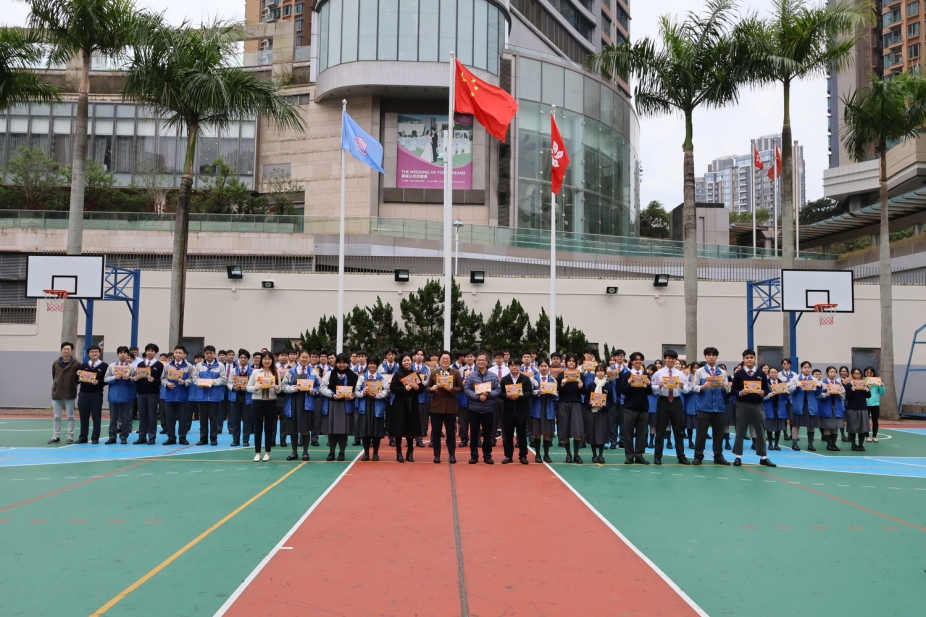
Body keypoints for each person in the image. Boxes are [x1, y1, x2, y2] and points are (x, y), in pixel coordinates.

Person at [730, 349, 776, 467]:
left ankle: (763, 457)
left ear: (755, 358)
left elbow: (766, 389)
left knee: (760, 430)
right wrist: (740, 392)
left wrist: (763, 392)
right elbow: (733, 389)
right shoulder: (739, 374)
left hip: (757, 404)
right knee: (740, 430)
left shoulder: (761, 373)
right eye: (747, 358)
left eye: (751, 357)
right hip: (742, 404)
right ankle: (738, 456)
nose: (749, 359)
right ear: (743, 359)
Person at [691, 347, 732, 465]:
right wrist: (702, 387)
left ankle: (718, 456)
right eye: (709, 355)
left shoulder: (722, 372)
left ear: (716, 357)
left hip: (719, 407)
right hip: (704, 407)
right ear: (705, 357)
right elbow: (693, 387)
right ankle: (698, 456)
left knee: (719, 433)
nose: (711, 357)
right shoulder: (700, 372)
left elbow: (728, 390)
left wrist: (725, 386)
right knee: (701, 433)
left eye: (713, 355)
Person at [650, 350, 691, 465]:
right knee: (660, 430)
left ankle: (681, 456)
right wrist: (659, 386)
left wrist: (682, 387)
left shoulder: (680, 374)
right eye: (668, 358)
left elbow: (687, 389)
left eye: (673, 359)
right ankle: (657, 456)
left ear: (676, 360)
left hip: (676, 401)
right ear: (664, 359)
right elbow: (653, 389)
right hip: (663, 401)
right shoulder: (658, 373)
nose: (671, 360)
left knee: (678, 430)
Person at [463, 351, 501, 464]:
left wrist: (488, 395)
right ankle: (474, 455)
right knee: (474, 434)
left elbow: (498, 390)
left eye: (483, 360)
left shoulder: (493, 376)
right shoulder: (471, 375)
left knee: (488, 434)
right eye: (479, 360)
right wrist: (477, 397)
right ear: (476, 361)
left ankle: (487, 455)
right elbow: (466, 389)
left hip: (488, 409)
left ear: (487, 362)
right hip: (474, 408)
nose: (481, 362)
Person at [319, 353, 359, 461]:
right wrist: (332, 394)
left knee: (343, 431)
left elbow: (357, 390)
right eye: (339, 363)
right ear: (336, 363)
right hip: (332, 404)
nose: (342, 365)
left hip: (346, 406)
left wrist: (353, 395)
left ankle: (342, 453)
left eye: (344, 362)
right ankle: (331, 452)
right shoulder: (329, 374)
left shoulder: (353, 375)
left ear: (347, 363)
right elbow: (322, 387)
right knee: (332, 431)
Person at [427, 351, 464, 463]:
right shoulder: (434, 373)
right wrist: (432, 389)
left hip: (450, 407)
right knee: (436, 433)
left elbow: (460, 388)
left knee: (451, 433)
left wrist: (452, 389)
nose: (445, 360)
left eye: (447, 358)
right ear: (439, 360)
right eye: (443, 358)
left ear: (450, 360)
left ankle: (452, 455)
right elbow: (427, 388)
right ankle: (436, 455)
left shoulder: (455, 373)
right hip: (436, 407)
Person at [282, 349, 319, 461]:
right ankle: (294, 452)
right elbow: (283, 386)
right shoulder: (291, 371)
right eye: (302, 357)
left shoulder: (313, 372)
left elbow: (319, 386)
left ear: (310, 359)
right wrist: (293, 388)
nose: (304, 359)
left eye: (307, 357)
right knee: (293, 429)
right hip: (293, 402)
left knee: (305, 428)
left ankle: (305, 452)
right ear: (298, 358)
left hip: (306, 403)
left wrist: (314, 391)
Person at [247, 352, 282, 461]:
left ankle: (267, 452)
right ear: (261, 360)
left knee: (269, 428)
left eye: (269, 359)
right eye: (265, 359)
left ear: (272, 360)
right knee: (258, 428)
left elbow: (280, 389)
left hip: (271, 402)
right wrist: (255, 388)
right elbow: (248, 387)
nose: (267, 361)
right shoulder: (255, 372)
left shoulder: (276, 372)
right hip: (258, 402)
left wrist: (276, 388)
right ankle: (257, 453)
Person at [389, 353, 423, 462]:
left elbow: (422, 388)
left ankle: (410, 452)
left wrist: (417, 388)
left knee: (410, 429)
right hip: (400, 405)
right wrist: (404, 389)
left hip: (412, 404)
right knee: (399, 429)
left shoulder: (415, 374)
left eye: (408, 360)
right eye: (404, 361)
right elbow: (393, 389)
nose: (406, 362)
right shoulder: (397, 374)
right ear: (401, 362)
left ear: (411, 361)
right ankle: (399, 452)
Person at [499, 357, 534, 464]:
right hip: (508, 411)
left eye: (516, 365)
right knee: (508, 435)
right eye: (512, 365)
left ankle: (523, 456)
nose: (514, 367)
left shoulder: (525, 379)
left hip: (521, 411)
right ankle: (508, 456)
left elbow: (529, 392)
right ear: (509, 366)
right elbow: (500, 394)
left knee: (522, 435)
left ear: (520, 366)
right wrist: (507, 396)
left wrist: (520, 395)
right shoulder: (504, 379)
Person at [620, 352, 651, 465]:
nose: (638, 361)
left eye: (640, 359)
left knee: (641, 434)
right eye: (636, 359)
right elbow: (623, 391)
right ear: (632, 361)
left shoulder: (646, 375)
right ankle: (629, 456)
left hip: (643, 407)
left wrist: (649, 384)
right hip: (630, 408)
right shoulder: (626, 375)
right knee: (628, 433)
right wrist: (628, 383)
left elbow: (649, 392)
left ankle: (639, 455)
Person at [192, 345, 225, 446]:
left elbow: (223, 379)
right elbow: (194, 378)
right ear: (204, 354)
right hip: (201, 396)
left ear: (214, 354)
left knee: (214, 418)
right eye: (207, 353)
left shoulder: (220, 366)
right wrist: (200, 383)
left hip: (214, 397)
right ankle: (203, 438)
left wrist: (211, 382)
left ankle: (213, 438)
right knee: (202, 418)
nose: (209, 355)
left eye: (211, 353)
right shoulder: (199, 366)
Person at [555, 353, 586, 464]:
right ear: (566, 362)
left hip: (576, 403)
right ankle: (568, 454)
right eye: (569, 361)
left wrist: (581, 387)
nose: (571, 363)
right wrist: (562, 385)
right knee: (565, 430)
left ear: (576, 363)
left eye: (573, 361)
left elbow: (585, 392)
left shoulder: (580, 375)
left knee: (577, 430)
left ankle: (576, 455)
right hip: (563, 404)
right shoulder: (561, 375)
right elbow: (557, 391)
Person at [357, 356, 388, 461]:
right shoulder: (362, 378)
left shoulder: (382, 378)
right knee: (365, 431)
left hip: (377, 406)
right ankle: (366, 453)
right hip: (365, 405)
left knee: (376, 431)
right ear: (367, 364)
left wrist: (377, 395)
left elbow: (387, 391)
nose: (372, 365)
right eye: (370, 363)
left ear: (377, 365)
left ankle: (375, 453)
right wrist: (363, 392)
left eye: (374, 364)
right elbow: (356, 391)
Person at [104, 346, 137, 444]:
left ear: (127, 354)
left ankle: (124, 437)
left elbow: (136, 380)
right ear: (118, 354)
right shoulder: (111, 366)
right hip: (113, 396)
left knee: (125, 418)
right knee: (113, 418)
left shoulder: (132, 367)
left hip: (127, 396)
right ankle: (112, 437)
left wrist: (129, 379)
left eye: (125, 353)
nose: (123, 354)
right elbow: (106, 379)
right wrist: (115, 377)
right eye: (121, 353)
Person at [161, 346, 193, 446]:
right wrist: (167, 384)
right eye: (176, 352)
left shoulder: (189, 366)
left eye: (180, 353)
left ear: (184, 355)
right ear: (173, 354)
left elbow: (193, 379)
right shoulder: (167, 365)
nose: (178, 354)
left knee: (183, 419)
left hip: (183, 396)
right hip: (170, 396)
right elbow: (162, 378)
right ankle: (171, 438)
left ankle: (182, 438)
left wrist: (185, 382)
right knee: (170, 419)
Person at [76, 345, 108, 444]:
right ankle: (83, 437)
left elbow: (107, 380)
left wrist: (98, 382)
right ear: (88, 354)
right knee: (83, 416)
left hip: (96, 394)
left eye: (96, 351)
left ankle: (95, 437)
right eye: (92, 352)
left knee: (96, 416)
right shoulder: (83, 366)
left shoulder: (104, 366)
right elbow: (77, 381)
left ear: (99, 353)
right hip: (83, 394)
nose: (94, 353)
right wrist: (77, 375)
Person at [50, 341, 79, 444]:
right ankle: (56, 436)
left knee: (70, 416)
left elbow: (78, 378)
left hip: (70, 392)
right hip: (57, 392)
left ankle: (70, 436)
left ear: (72, 351)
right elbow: (54, 376)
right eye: (64, 349)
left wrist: (72, 385)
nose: (66, 351)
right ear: (61, 350)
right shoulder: (55, 363)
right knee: (57, 416)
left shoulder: (76, 364)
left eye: (68, 349)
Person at [133, 343, 163, 445]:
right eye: (148, 350)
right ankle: (142, 437)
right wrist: (136, 379)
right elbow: (136, 379)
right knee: (142, 415)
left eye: (152, 351)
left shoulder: (159, 365)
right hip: (141, 393)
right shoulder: (140, 364)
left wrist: (154, 380)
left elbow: (162, 380)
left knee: (152, 416)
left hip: (153, 393)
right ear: (145, 352)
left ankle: (152, 437)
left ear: (156, 352)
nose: (150, 352)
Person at [787, 361, 820, 451]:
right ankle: (794, 444)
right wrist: (797, 386)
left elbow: (818, 394)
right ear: (801, 368)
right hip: (798, 405)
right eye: (805, 367)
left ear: (810, 369)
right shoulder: (795, 378)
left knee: (811, 425)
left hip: (811, 405)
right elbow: (789, 390)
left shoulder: (814, 379)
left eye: (808, 367)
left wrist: (819, 387)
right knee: (796, 425)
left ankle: (810, 444)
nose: (807, 369)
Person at [531, 359, 558, 463]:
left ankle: (546, 455)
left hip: (548, 407)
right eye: (541, 366)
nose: (543, 368)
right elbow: (529, 393)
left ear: (549, 367)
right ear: (538, 367)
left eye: (545, 366)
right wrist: (537, 392)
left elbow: (556, 397)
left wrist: (554, 394)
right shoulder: (533, 379)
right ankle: (537, 455)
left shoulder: (552, 380)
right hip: (537, 407)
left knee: (547, 433)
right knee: (537, 432)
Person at [585, 364, 611, 464]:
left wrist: (604, 406)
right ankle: (594, 455)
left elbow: (611, 400)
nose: (600, 373)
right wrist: (590, 404)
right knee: (592, 433)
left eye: (602, 371)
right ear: (595, 372)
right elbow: (586, 398)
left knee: (601, 434)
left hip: (602, 413)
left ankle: (601, 455)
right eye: (598, 371)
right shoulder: (591, 385)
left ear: (605, 372)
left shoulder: (608, 386)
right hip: (592, 412)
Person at [227, 349, 253, 447]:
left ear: (248, 359)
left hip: (248, 398)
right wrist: (233, 388)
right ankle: (235, 440)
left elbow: (254, 384)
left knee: (247, 420)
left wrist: (247, 388)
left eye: (245, 358)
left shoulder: (252, 371)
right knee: (235, 420)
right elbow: (229, 383)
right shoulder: (234, 370)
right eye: (241, 357)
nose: (243, 359)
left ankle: (245, 440)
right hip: (235, 397)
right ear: (238, 359)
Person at [818, 366, 846, 452]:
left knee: (835, 427)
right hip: (827, 407)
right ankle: (829, 444)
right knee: (828, 427)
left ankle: (833, 444)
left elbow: (844, 397)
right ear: (827, 373)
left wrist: (841, 395)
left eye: (834, 372)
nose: (833, 373)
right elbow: (818, 396)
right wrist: (825, 394)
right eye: (831, 372)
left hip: (837, 407)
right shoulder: (823, 383)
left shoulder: (839, 384)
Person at [844, 368, 871, 451]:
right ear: (852, 374)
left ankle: (861, 445)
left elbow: (868, 396)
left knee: (863, 428)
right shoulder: (848, 385)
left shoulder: (864, 384)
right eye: (855, 373)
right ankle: (853, 445)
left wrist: (867, 391)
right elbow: (847, 397)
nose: (857, 375)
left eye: (859, 373)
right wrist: (852, 390)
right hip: (852, 408)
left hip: (863, 408)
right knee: (852, 428)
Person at [762, 367, 788, 452]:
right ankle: (770, 443)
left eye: (775, 372)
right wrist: (769, 395)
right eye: (772, 372)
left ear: (777, 373)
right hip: (769, 406)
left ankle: (776, 444)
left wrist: (787, 393)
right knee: (769, 426)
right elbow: (762, 397)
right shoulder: (765, 384)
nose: (774, 374)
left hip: (779, 407)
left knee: (778, 426)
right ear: (769, 374)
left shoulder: (782, 383)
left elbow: (786, 398)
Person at [864, 366, 885, 443]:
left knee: (875, 420)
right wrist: (866, 385)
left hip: (875, 403)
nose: (869, 374)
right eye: (867, 372)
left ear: (873, 373)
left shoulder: (877, 381)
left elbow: (882, 393)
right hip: (865, 403)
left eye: (871, 372)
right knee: (866, 420)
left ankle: (874, 436)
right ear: (864, 373)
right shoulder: (862, 380)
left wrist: (882, 386)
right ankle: (867, 436)